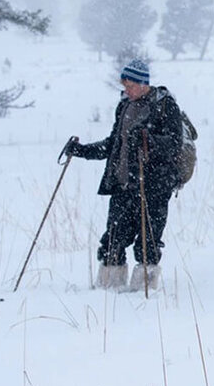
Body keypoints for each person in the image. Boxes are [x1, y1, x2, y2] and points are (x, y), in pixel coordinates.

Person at [66, 59, 184, 290]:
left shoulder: (165, 106)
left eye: (129, 85)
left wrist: (148, 141)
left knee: (147, 242)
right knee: (113, 239)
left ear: (142, 83)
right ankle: (108, 288)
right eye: (124, 85)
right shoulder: (124, 106)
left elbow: (174, 144)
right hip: (123, 184)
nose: (126, 90)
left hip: (154, 185)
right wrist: (81, 151)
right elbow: (113, 145)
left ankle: (144, 290)